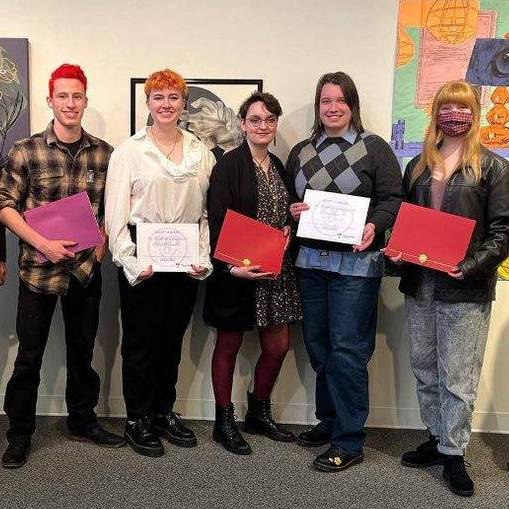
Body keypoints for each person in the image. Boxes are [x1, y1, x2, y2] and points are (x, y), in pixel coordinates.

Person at [0, 63, 125, 469]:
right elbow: (5, 206)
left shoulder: (106, 153)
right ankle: (19, 434)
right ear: (50, 100)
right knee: (29, 357)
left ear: (86, 100)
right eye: (63, 96)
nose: (70, 103)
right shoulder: (25, 150)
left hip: (86, 272)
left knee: (82, 352)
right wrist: (42, 242)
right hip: (38, 272)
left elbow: (114, 207)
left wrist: (106, 236)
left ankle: (82, 420)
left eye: (77, 96)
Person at [390, 80, 509, 497]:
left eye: (462, 108)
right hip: (420, 284)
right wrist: (395, 247)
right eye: (446, 108)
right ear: (436, 113)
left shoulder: (493, 167)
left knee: (458, 375)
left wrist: (470, 266)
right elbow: (405, 221)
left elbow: (502, 231)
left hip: (465, 288)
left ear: (474, 113)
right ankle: (436, 437)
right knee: (425, 368)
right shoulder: (418, 166)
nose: (453, 115)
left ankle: (455, 452)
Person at [286, 72, 402, 471]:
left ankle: (349, 440)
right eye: (325, 101)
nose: (333, 108)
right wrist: (293, 210)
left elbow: (393, 198)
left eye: (340, 101)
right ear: (318, 107)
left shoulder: (374, 149)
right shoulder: (301, 150)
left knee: (349, 351)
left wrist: (376, 224)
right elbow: (290, 199)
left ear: (352, 105)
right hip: (311, 264)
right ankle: (330, 420)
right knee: (319, 347)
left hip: (356, 266)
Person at [105, 69, 215, 457]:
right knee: (140, 341)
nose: (166, 105)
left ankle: (163, 411)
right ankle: (138, 418)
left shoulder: (202, 153)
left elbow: (205, 214)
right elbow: (114, 214)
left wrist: (202, 257)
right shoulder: (129, 152)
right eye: (158, 98)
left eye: (173, 97)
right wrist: (130, 261)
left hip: (184, 257)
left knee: (171, 340)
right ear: (148, 103)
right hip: (143, 253)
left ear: (183, 103)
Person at [203, 92, 302, 455]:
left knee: (278, 347)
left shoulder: (279, 165)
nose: (263, 126)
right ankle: (223, 420)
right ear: (243, 124)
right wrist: (231, 267)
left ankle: (258, 412)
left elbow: (284, 212)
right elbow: (217, 219)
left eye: (270, 120)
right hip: (236, 273)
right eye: (256, 119)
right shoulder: (228, 165)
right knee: (227, 345)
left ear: (276, 125)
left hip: (275, 272)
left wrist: (292, 225)